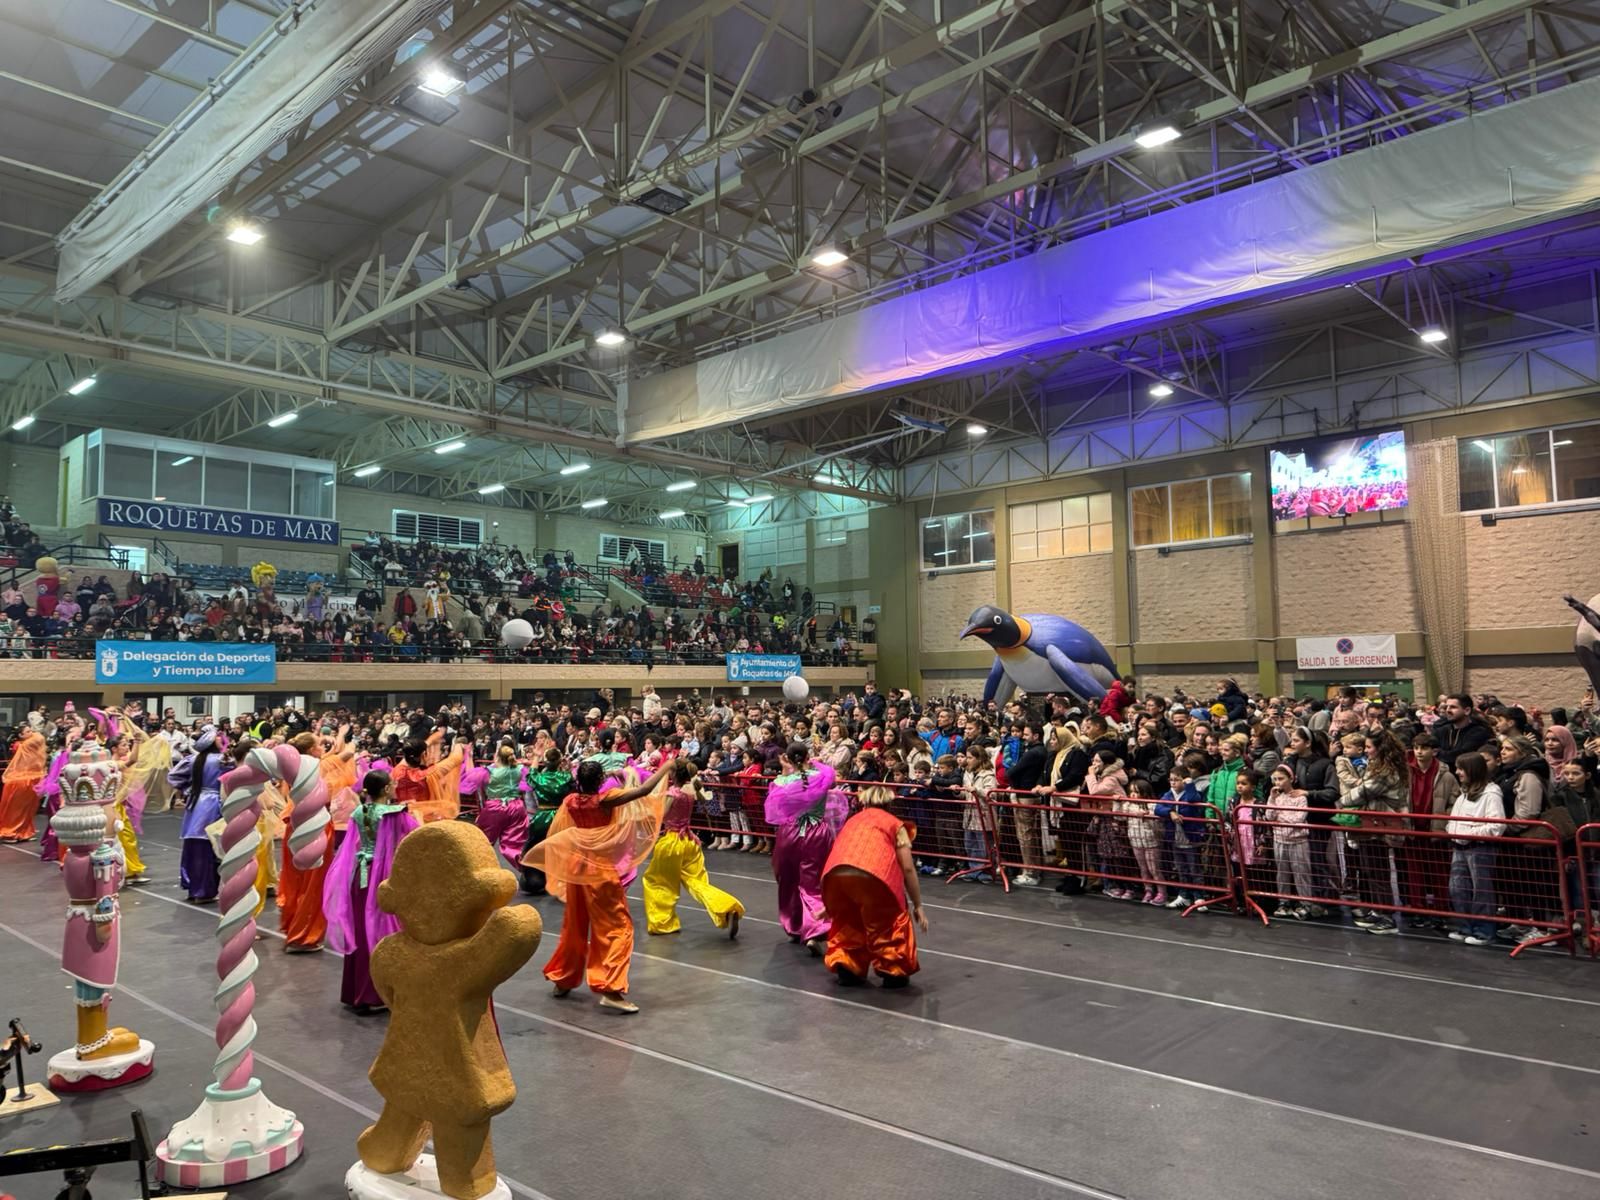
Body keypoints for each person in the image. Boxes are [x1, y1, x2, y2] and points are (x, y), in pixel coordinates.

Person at [524, 758, 672, 1014]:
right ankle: (611, 988)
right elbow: (645, 790)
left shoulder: (571, 801)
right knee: (617, 927)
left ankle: (563, 979)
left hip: (576, 868)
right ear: (601, 780)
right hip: (599, 870)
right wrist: (667, 767)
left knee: (574, 924)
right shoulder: (605, 800)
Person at [323, 769, 419, 1013]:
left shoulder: (359, 812)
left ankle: (358, 991)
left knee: (361, 930)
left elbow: (354, 844)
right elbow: (416, 836)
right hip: (383, 876)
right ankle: (379, 991)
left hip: (362, 876)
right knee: (384, 930)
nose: (395, 786)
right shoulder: (394, 814)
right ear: (386, 789)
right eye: (393, 784)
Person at [821, 783, 927, 987]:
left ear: (864, 803)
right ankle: (893, 971)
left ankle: (847, 967)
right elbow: (907, 868)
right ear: (889, 805)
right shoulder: (895, 824)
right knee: (887, 922)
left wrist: (829, 900)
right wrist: (918, 904)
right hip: (873, 874)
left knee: (848, 920)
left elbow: (839, 851)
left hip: (836, 873)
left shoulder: (853, 821)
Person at [642, 760, 744, 938]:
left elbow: (661, 815)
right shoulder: (690, 792)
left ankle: (662, 922)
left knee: (658, 882)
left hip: (672, 841)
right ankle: (725, 907)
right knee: (697, 882)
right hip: (690, 842)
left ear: (674, 774)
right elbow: (703, 798)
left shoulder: (672, 793)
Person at [765, 742, 845, 953]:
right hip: (816, 832)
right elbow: (833, 779)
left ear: (789, 759)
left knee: (788, 880)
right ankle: (815, 929)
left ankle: (795, 925)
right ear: (807, 756)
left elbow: (778, 806)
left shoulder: (782, 782)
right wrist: (814, 763)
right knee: (813, 881)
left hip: (789, 832)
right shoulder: (823, 776)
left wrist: (787, 769)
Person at [1446, 751, 1505, 945]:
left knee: (1481, 890)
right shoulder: (1464, 792)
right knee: (1458, 888)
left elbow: (1497, 825)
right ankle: (1465, 927)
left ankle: (1484, 931)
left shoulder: (1491, 793)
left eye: (1461, 769)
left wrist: (1470, 833)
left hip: (1480, 847)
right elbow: (1454, 818)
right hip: (1459, 846)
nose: (1458, 772)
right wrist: (1453, 831)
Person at [171, 727, 224, 904]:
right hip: (213, 804)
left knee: (193, 847)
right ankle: (205, 891)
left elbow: (173, 777)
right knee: (210, 849)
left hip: (195, 804)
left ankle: (193, 888)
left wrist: (189, 789)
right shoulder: (222, 760)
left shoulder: (193, 760)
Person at [1265, 762, 1318, 920]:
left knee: (1301, 873)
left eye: (1281, 778)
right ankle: (1284, 902)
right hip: (1280, 840)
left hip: (1298, 841)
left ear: (1291, 779)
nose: (1277, 782)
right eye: (1275, 779)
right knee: (1282, 873)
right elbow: (1269, 816)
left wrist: (1280, 815)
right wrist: (1272, 799)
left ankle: (1305, 903)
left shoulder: (1300, 797)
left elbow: (1298, 819)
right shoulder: (1275, 797)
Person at [0, 726, 46, 842]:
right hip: (21, 781)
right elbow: (40, 737)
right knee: (17, 809)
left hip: (30, 779)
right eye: (28, 731)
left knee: (28, 808)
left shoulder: (26, 744)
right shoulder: (25, 745)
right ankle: (10, 833)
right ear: (21, 735)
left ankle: (23, 832)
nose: (32, 733)